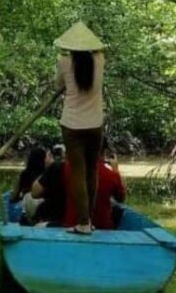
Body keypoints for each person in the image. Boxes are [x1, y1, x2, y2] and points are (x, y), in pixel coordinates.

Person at [53, 21, 106, 235]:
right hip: (95, 124)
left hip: (72, 125)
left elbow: (58, 84)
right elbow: (99, 49)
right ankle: (88, 221)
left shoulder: (64, 61)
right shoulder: (100, 59)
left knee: (78, 173)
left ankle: (83, 223)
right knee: (92, 171)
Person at [61, 150, 126, 230]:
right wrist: (116, 170)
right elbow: (121, 198)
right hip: (103, 227)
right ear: (104, 153)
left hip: (71, 224)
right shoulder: (111, 175)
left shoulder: (68, 168)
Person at [30, 144, 67, 225]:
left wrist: (48, 169)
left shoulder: (56, 167)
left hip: (53, 217)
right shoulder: (90, 169)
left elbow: (34, 193)